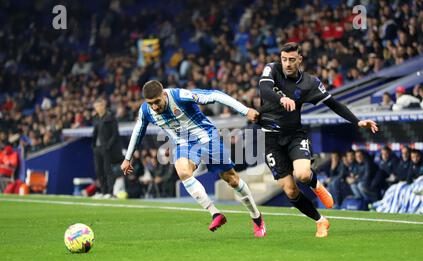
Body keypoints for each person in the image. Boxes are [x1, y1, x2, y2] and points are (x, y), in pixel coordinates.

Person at [258, 42, 378, 237]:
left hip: (295, 135)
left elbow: (333, 103)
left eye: (291, 60)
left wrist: (357, 121)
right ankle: (320, 221)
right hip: (271, 139)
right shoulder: (271, 69)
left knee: (303, 174)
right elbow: (264, 90)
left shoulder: (309, 83)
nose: (287, 64)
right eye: (284, 59)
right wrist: (281, 99)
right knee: (290, 191)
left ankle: (316, 185)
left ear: (299, 59)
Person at [121, 80, 266, 237]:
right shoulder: (146, 111)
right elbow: (138, 131)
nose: (155, 107)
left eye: (157, 102)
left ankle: (256, 217)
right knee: (183, 172)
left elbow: (216, 95)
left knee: (232, 180)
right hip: (184, 144)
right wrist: (127, 158)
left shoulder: (180, 96)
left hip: (207, 137)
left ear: (164, 94)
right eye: (151, 104)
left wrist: (245, 111)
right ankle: (215, 214)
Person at [92, 97, 124, 199]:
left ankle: (110, 192)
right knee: (99, 170)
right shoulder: (96, 118)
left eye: (98, 106)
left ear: (103, 106)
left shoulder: (111, 118)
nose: (97, 108)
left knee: (107, 170)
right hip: (97, 148)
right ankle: (103, 191)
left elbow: (115, 134)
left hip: (106, 149)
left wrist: (108, 146)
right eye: (96, 106)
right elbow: (95, 133)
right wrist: (93, 146)